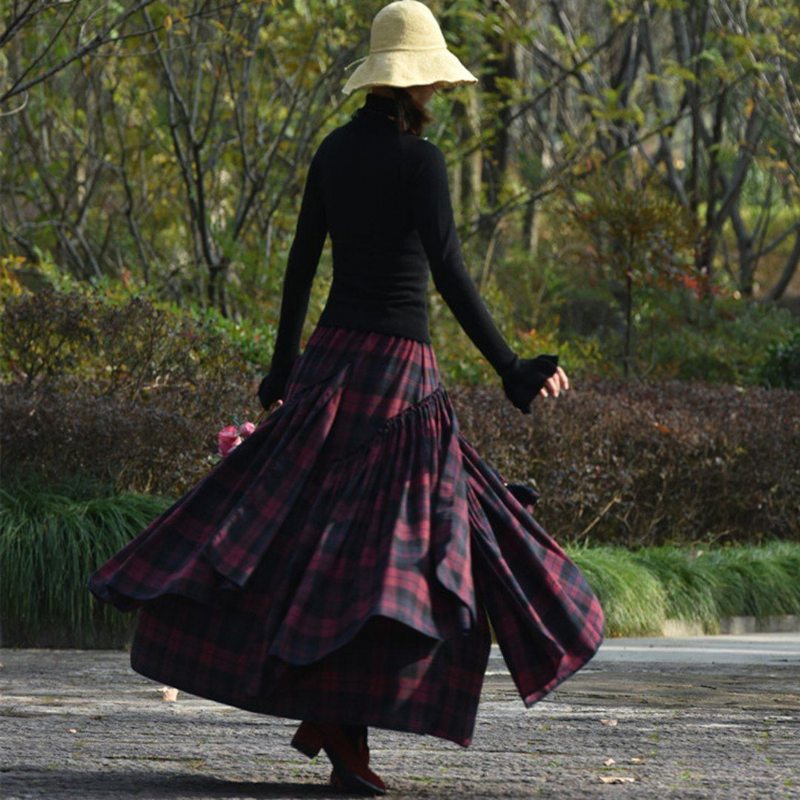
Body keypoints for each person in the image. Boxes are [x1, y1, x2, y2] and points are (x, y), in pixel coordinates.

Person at [89, 1, 604, 795]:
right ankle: (342, 724)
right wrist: (509, 368)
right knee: (386, 559)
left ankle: (336, 725)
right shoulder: (420, 162)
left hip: (331, 368)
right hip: (397, 374)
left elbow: (300, 268)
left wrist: (282, 370)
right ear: (422, 80)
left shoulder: (333, 152)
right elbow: (450, 272)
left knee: (316, 547)